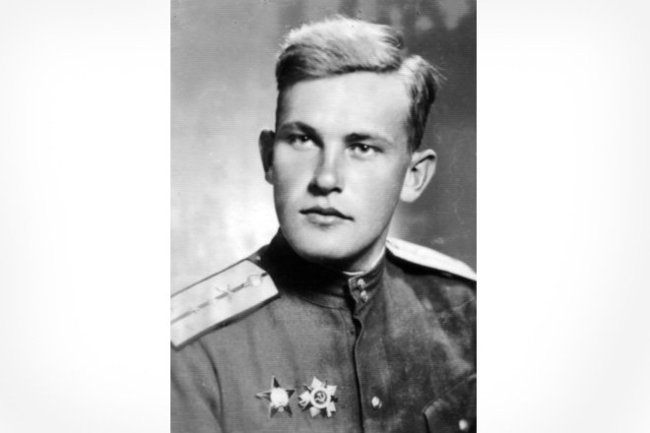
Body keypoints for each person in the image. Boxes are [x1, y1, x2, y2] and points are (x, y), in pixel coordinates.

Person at [171, 16, 476, 433]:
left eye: (362, 147)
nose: (326, 178)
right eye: (302, 140)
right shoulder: (190, 353)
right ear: (268, 158)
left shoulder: (465, 309)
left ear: (413, 175)